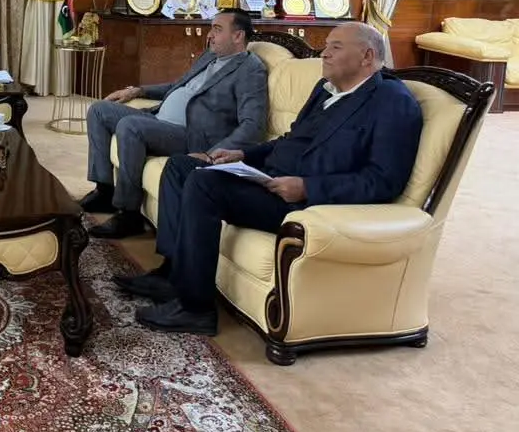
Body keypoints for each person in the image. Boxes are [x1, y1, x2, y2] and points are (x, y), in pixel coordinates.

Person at [123, 22, 424, 336]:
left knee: (204, 185)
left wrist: (307, 187)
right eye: (326, 45)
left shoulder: (392, 102)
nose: (324, 53)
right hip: (269, 178)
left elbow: (383, 181)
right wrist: (243, 155)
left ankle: (195, 309)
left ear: (367, 56)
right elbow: (289, 140)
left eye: (335, 47)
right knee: (181, 166)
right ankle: (173, 275)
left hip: (303, 202)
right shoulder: (325, 88)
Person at [82, 10, 268, 239]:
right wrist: (138, 91)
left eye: (217, 29)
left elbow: (253, 125)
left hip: (192, 136)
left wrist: (212, 154)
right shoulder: (210, 56)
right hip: (159, 120)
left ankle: (128, 214)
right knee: (99, 110)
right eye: (211, 28)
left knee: (130, 126)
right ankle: (104, 190)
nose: (209, 35)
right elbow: (177, 85)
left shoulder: (250, 69)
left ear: (238, 36)